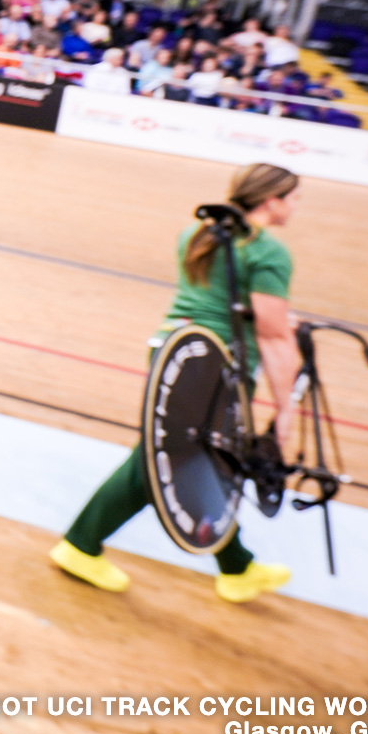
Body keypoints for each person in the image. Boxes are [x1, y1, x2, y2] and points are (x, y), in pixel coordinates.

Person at [49, 163, 302, 604]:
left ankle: (237, 566)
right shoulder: (268, 252)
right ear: (270, 201)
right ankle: (80, 545)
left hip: (175, 348)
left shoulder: (200, 232)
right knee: (165, 457)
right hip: (216, 365)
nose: (297, 206)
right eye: (293, 197)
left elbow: (223, 299)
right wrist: (287, 409)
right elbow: (274, 335)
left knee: (194, 457)